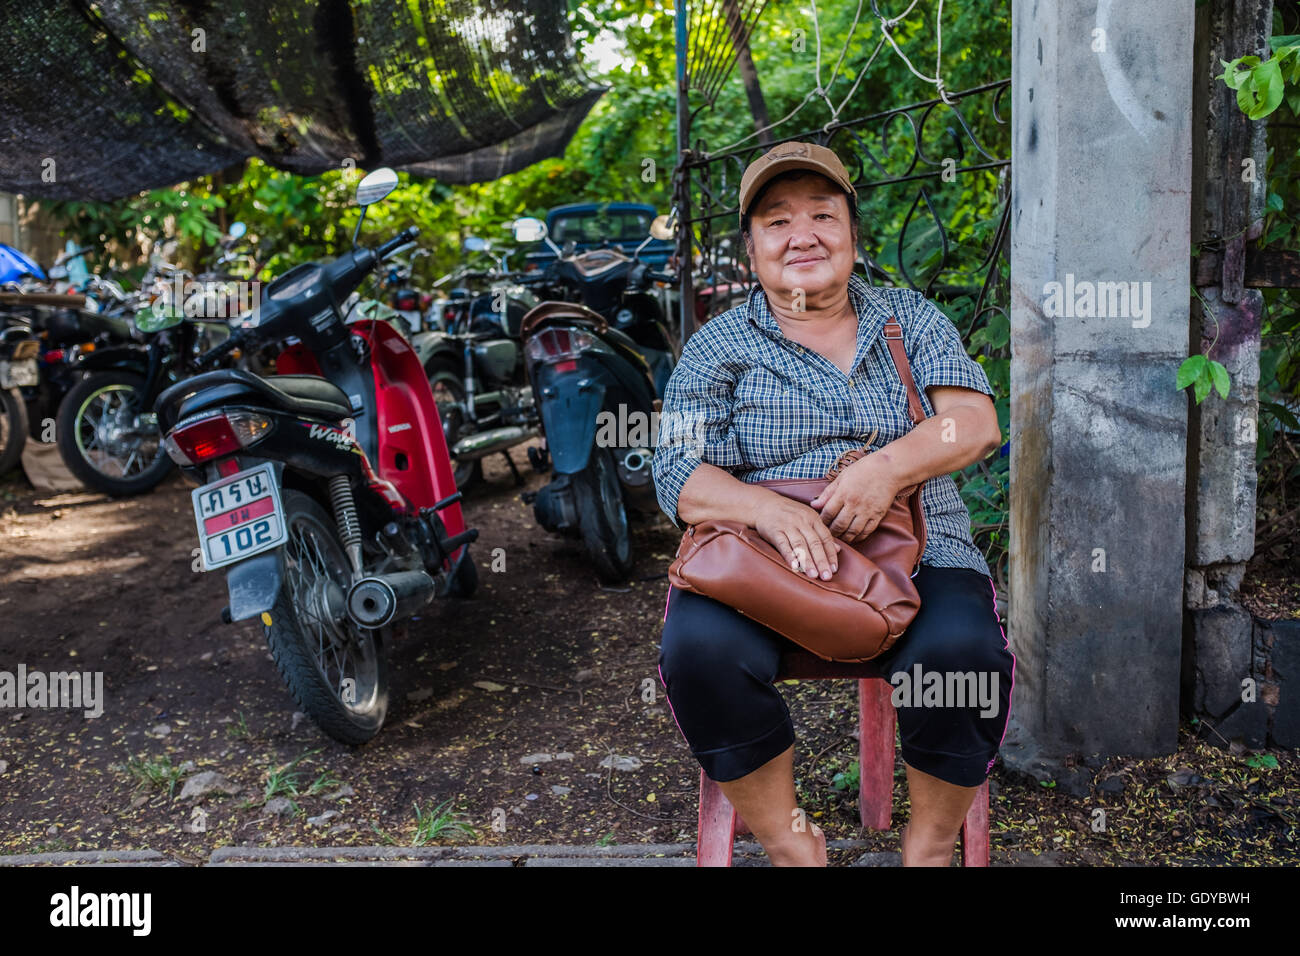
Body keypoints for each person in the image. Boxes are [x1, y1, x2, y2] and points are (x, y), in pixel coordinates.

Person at [652, 141, 1015, 867]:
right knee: (698, 654)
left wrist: (886, 469)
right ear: (751, 248)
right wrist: (768, 510)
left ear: (853, 234)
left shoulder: (908, 318)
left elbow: (974, 424)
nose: (803, 234)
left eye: (823, 214)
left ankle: (929, 845)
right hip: (761, 562)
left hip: (917, 549)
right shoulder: (715, 346)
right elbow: (676, 472)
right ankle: (789, 841)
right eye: (778, 221)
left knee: (962, 655)